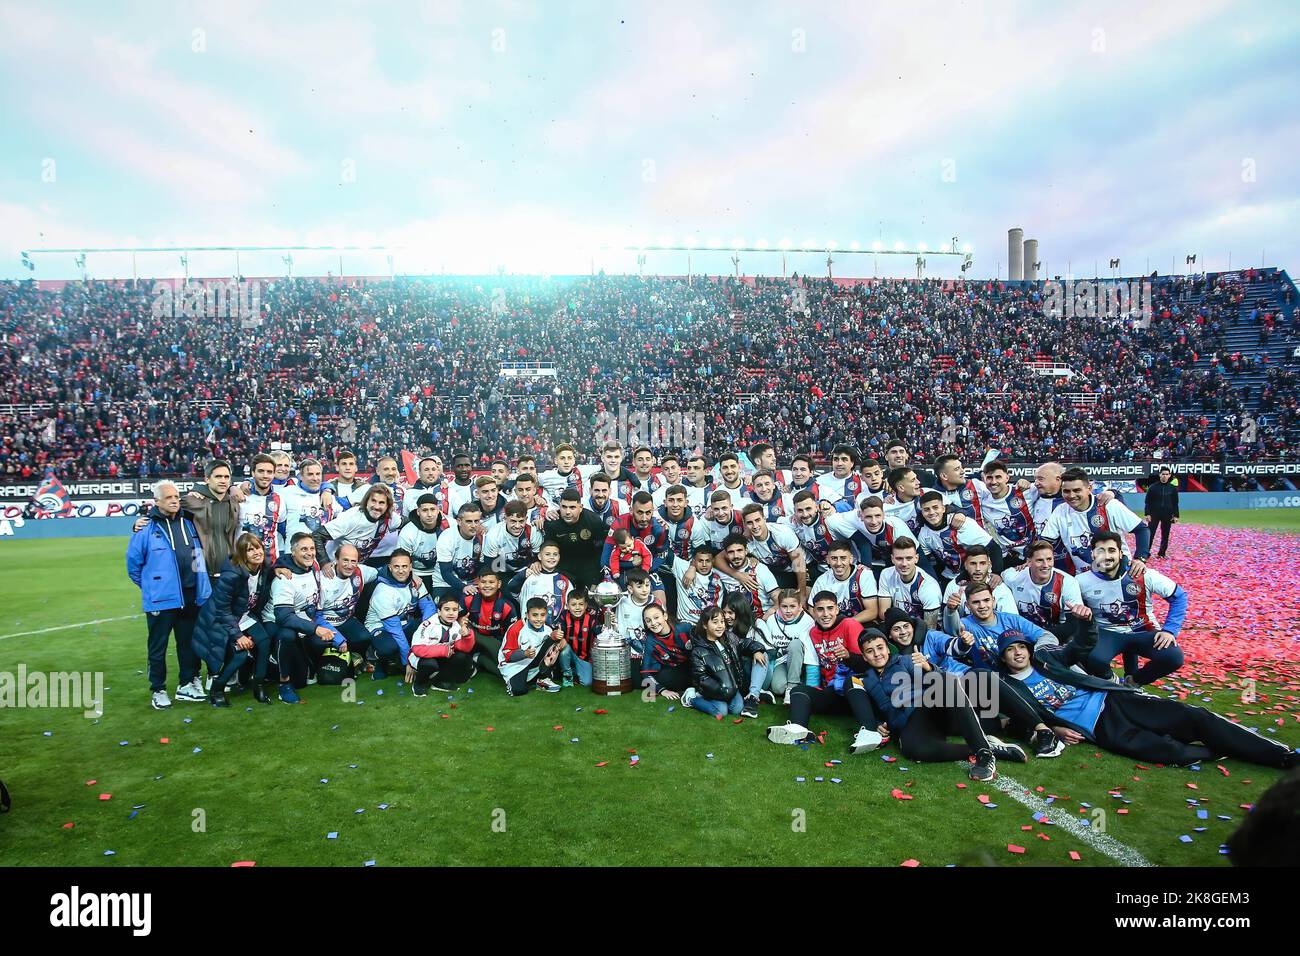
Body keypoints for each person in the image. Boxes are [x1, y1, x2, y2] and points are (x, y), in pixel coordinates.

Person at [1000, 635, 1298, 769]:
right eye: (1010, 650)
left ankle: (1279, 755)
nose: (1018, 653)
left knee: (1193, 716)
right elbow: (1014, 721)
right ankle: (1224, 747)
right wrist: (1055, 728)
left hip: (1115, 701)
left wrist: (1085, 621)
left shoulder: (1047, 660)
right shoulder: (1008, 686)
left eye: (1021, 647)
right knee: (1168, 751)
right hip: (1100, 727)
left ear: (1029, 649)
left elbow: (1083, 643)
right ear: (1003, 658)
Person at [858, 630, 1027, 781]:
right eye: (870, 651)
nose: (877, 654)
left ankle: (984, 754)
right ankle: (994, 750)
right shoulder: (867, 680)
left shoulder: (905, 661)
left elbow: (937, 678)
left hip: (928, 707)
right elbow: (875, 709)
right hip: (910, 724)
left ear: (888, 648)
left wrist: (928, 667)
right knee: (912, 749)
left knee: (946, 681)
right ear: (864, 657)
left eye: (880, 648)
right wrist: (880, 724)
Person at [127, 480, 212, 709]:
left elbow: (196, 556)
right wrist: (153, 588)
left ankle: (186, 684)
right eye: (168, 498)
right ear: (156, 502)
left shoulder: (188, 522)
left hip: (190, 596)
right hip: (162, 599)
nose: (174, 500)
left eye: (176, 496)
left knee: (188, 644)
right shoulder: (146, 528)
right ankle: (158, 689)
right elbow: (133, 566)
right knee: (158, 646)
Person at [765, 592, 880, 753]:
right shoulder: (813, 632)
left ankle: (870, 732)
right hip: (834, 693)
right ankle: (798, 728)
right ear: (813, 612)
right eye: (820, 609)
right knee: (799, 691)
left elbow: (869, 665)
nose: (825, 614)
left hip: (859, 693)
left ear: (837, 609)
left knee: (851, 680)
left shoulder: (849, 625)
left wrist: (848, 656)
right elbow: (813, 666)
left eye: (830, 608)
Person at [1073, 530, 1187, 686]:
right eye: (1100, 551)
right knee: (1088, 657)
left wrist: (1169, 630)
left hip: (1143, 631)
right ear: (1093, 555)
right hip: (1109, 633)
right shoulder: (1080, 581)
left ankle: (1133, 682)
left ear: (1121, 554)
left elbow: (1179, 596)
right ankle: (1112, 682)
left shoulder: (1143, 574)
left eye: (1112, 550)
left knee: (1173, 657)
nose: (1106, 556)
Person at [193, 531, 275, 707]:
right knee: (239, 655)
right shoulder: (232, 574)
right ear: (242, 555)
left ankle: (258, 685)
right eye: (250, 550)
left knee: (264, 641)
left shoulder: (264, 567)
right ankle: (217, 689)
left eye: (258, 548)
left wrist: (282, 568)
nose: (256, 553)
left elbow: (276, 567)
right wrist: (238, 636)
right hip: (220, 619)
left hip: (243, 616)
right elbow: (222, 610)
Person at [1039, 467, 1150, 575]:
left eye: (1077, 490)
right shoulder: (1060, 511)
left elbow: (1141, 529)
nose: (1072, 495)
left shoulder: (1109, 505)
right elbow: (1045, 542)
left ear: (1089, 489)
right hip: (1085, 578)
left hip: (1119, 573)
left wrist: (1140, 558)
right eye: (1066, 491)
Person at [265, 531, 328, 703]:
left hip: (299, 618)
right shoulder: (284, 578)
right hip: (277, 621)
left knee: (301, 681)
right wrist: (316, 628)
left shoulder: (313, 566)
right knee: (287, 635)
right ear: (292, 552)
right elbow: (283, 617)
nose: (310, 553)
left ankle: (300, 665)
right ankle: (283, 682)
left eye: (312, 548)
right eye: (304, 549)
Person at [681, 606, 768, 719]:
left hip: (731, 688)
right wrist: (722, 690)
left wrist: (757, 650)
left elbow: (743, 643)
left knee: (736, 709)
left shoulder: (729, 637)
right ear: (705, 625)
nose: (720, 625)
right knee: (721, 711)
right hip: (713, 691)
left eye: (722, 621)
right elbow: (702, 678)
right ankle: (691, 698)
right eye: (715, 622)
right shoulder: (698, 650)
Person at [1001, 539, 1093, 643]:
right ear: (1029, 562)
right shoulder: (1014, 577)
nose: (1046, 565)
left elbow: (1072, 624)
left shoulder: (1068, 583)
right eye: (1039, 560)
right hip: (1023, 635)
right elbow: (1002, 575)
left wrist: (1040, 636)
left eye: (1049, 559)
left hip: (1056, 635)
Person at [364, 549, 436, 678]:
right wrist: (408, 661)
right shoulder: (383, 592)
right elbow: (395, 630)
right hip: (381, 628)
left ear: (410, 567)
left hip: (405, 623)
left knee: (433, 625)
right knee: (389, 648)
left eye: (404, 566)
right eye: (396, 567)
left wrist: (426, 628)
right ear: (390, 568)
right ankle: (378, 657)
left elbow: (429, 607)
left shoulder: (416, 582)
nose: (401, 571)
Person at [315, 542, 377, 669]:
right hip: (325, 624)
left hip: (346, 620)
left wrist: (412, 575)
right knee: (318, 644)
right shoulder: (323, 581)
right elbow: (315, 616)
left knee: (364, 638)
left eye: (353, 561)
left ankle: (354, 656)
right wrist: (338, 638)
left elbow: (383, 572)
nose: (349, 565)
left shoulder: (361, 571)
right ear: (336, 559)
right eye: (345, 560)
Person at [405, 594, 477, 695]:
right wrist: (443, 650)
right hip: (421, 657)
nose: (451, 613)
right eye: (447, 609)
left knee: (462, 657)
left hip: (441, 656)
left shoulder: (456, 626)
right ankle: (419, 684)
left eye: (454, 610)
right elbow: (417, 649)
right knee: (429, 664)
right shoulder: (428, 625)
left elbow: (464, 648)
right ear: (439, 611)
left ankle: (440, 682)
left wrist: (468, 635)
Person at [753, 588, 815, 702]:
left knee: (795, 644)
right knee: (778, 688)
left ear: (800, 606)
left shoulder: (808, 622)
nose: (788, 610)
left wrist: (813, 685)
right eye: (784, 606)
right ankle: (796, 683)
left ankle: (792, 686)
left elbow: (812, 654)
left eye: (792, 606)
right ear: (778, 606)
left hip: (801, 662)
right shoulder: (772, 620)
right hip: (781, 662)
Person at [543, 488, 608, 592]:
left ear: (581, 507)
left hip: (589, 566)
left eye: (572, 507)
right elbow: (548, 550)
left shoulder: (593, 520)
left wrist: (597, 578)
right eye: (564, 507)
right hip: (563, 566)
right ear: (559, 506)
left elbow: (601, 550)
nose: (567, 512)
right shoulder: (552, 523)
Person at [500, 597, 563, 695]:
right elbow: (509, 657)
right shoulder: (516, 628)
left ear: (546, 615)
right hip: (515, 663)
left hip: (533, 661)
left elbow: (549, 649)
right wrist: (524, 654)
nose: (538, 619)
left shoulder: (548, 630)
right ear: (527, 615)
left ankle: (543, 678)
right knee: (519, 690)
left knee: (553, 640)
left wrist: (558, 638)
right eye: (534, 615)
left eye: (542, 615)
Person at [877, 537, 943, 630]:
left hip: (924, 629)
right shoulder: (886, 574)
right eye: (899, 559)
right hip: (899, 626)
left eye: (909, 558)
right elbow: (883, 613)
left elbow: (929, 629)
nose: (904, 564)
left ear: (916, 559)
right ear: (892, 559)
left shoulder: (929, 586)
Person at [808, 540, 880, 625]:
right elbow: (812, 608)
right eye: (834, 558)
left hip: (859, 623)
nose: (838, 563)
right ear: (827, 560)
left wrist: (845, 624)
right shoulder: (822, 580)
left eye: (843, 558)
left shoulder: (864, 575)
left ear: (851, 559)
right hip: (832, 624)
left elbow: (872, 611)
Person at [462, 568, 517, 677]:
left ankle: (478, 659)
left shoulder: (507, 606)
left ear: (499, 584)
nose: (487, 585)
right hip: (472, 636)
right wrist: (462, 624)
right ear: (478, 583)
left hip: (495, 639)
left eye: (491, 582)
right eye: (483, 582)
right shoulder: (468, 599)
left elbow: (511, 633)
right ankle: (469, 660)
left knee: (505, 669)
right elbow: (456, 618)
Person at [428, 502, 484, 604]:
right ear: (459, 521)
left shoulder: (483, 537)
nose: (473, 526)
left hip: (470, 581)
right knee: (445, 611)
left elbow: (484, 567)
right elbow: (446, 573)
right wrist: (464, 587)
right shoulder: (447, 538)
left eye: (476, 521)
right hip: (444, 583)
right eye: (469, 521)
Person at [640, 603, 692, 698]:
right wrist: (662, 690)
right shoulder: (650, 641)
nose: (653, 623)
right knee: (663, 677)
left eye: (656, 617)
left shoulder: (685, 627)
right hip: (672, 671)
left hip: (694, 666)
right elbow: (645, 671)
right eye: (648, 621)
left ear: (665, 616)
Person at [397, 493, 444, 594]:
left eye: (433, 509)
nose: (429, 514)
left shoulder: (448, 526)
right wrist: (412, 575)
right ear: (418, 512)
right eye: (425, 510)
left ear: (438, 509)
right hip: (416, 572)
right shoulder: (408, 532)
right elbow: (401, 560)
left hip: (440, 572)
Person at [555, 589, 599, 687]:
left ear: (586, 605)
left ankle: (575, 672)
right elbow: (558, 631)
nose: (577, 608)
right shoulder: (563, 616)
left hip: (584, 658)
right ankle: (567, 676)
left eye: (581, 604)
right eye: (574, 605)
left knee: (587, 683)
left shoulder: (591, 619)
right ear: (567, 606)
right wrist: (559, 637)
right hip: (568, 652)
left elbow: (599, 633)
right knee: (564, 648)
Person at [1144, 466, 1180, 559]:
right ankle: (1146, 552)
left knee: (1165, 534)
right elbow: (1147, 501)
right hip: (1154, 514)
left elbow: (1175, 503)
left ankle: (1162, 553)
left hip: (1167, 514)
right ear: (1160, 475)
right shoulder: (1153, 487)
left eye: (1166, 474)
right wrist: (1147, 514)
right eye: (1163, 474)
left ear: (1169, 476)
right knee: (1150, 534)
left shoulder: (1172, 488)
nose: (1164, 476)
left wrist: (1176, 515)